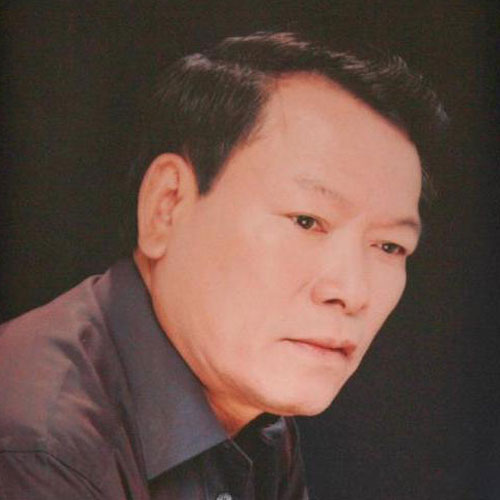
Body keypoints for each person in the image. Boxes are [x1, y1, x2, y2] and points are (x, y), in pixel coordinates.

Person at [0, 32, 447, 499]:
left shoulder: (254, 414)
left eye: (389, 246)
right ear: (167, 205)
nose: (352, 291)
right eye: (306, 221)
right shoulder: (37, 449)